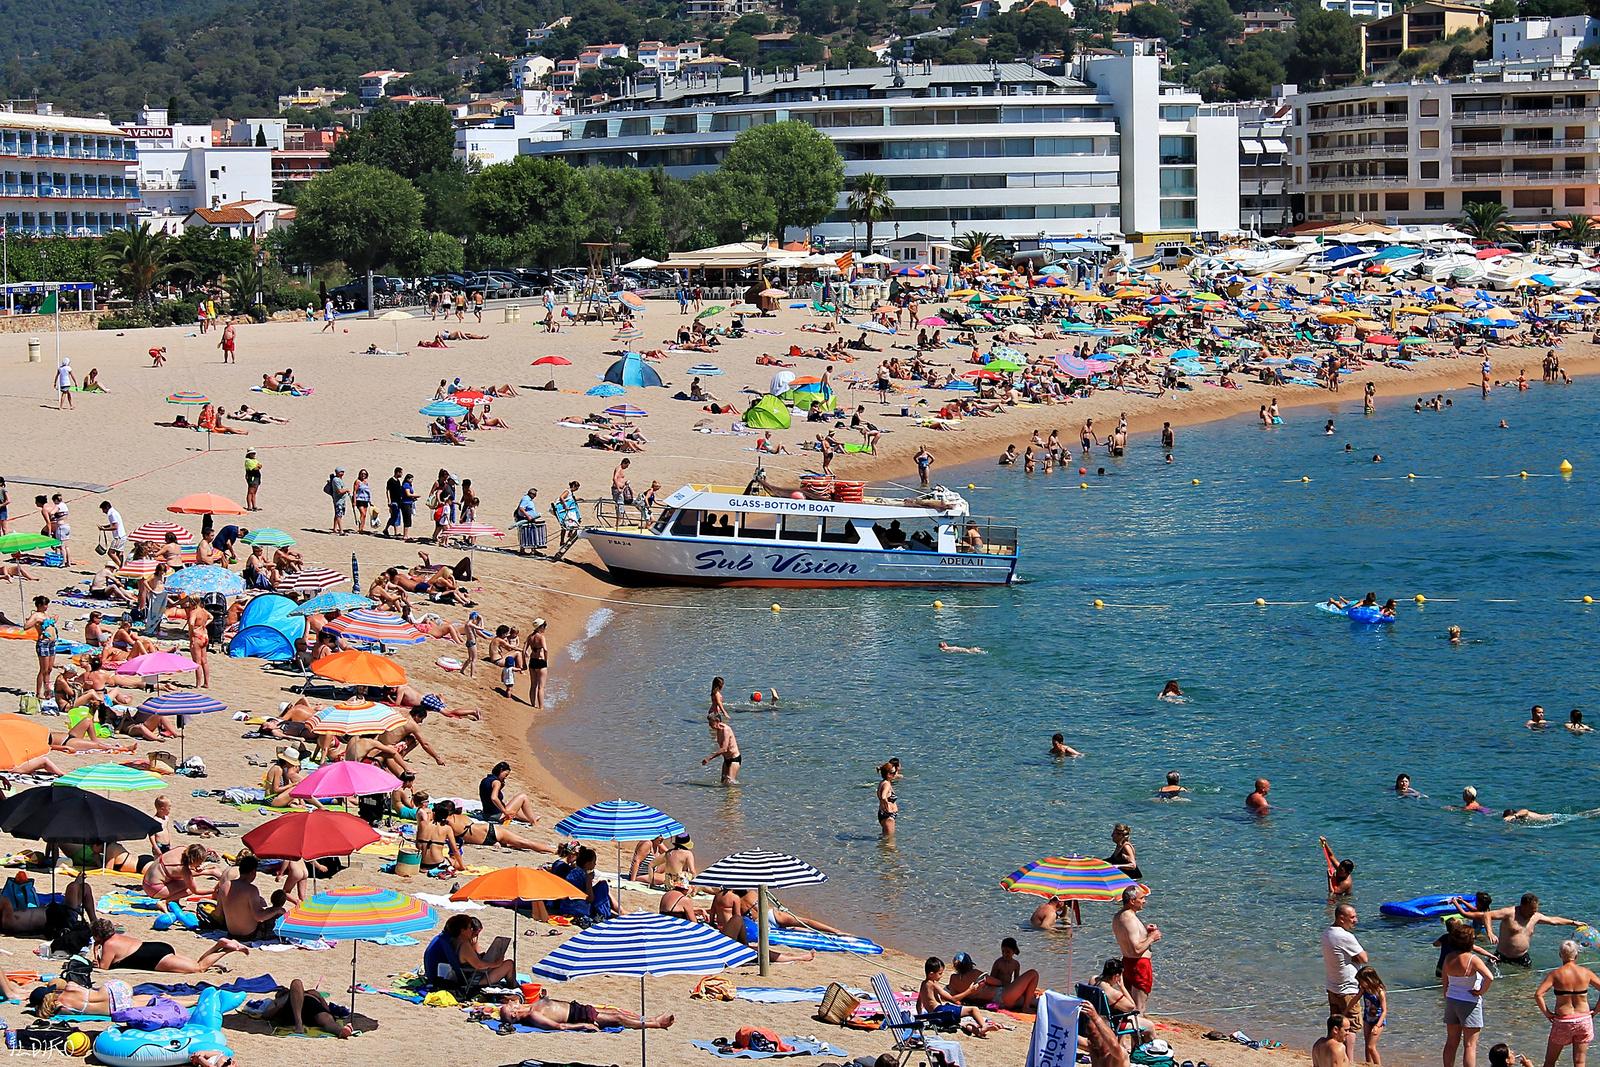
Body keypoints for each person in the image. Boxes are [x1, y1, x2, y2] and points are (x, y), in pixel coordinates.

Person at [1458, 893, 1581, 968]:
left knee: (1527, 981)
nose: (1533, 913)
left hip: (1522, 957)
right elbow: (1487, 915)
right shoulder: (1510, 913)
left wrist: (1574, 923)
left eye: (1535, 910)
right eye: (1530, 910)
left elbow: (1554, 921)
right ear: (1522, 906)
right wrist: (1490, 932)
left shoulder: (1535, 916)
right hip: (1502, 956)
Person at [90, 919, 246, 973]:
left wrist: (95, 950)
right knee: (194, 964)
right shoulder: (118, 937)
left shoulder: (109, 944)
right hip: (158, 947)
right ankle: (218, 945)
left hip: (154, 958)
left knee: (199, 968)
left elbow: (103, 968)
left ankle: (226, 949)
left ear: (98, 935)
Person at [1534, 940, 1600, 1067]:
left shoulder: (1555, 974)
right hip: (1584, 1019)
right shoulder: (1586, 972)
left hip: (1563, 1020)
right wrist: (1596, 1010)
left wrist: (1547, 1013)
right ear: (1576, 956)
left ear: (1560, 955)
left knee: (1550, 1062)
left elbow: (1538, 995)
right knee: (1580, 1062)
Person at [500, 988, 675, 1032]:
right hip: (579, 1016)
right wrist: (584, 1025)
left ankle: (651, 1019)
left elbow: (516, 998)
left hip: (577, 1008)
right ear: (514, 1014)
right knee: (619, 1018)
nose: (511, 1003)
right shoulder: (534, 1015)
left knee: (617, 1015)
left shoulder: (528, 1007)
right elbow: (559, 1026)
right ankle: (656, 1024)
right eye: (510, 1007)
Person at [1444, 924, 1496, 1067]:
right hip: (1469, 1002)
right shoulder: (1473, 959)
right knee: (1470, 1045)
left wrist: (1447, 997)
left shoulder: (1448, 957)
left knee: (1451, 1043)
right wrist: (1481, 992)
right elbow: (1489, 977)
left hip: (1451, 1001)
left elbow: (1445, 982)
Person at [1323, 903, 1368, 1059]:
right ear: (1342, 918)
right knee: (1351, 1027)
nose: (1356, 920)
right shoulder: (1345, 936)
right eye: (1352, 917)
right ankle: (1349, 1059)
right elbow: (1364, 958)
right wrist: (1354, 958)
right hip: (1347, 988)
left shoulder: (1327, 932)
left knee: (1336, 1026)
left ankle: (1333, 1054)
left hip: (1332, 986)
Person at [424, 913, 515, 989]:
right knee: (509, 964)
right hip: (474, 981)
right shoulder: (464, 946)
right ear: (463, 931)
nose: (472, 931)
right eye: (470, 928)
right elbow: (478, 965)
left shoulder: (454, 942)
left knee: (505, 964)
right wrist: (496, 963)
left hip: (468, 978)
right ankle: (514, 988)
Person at [918, 957, 1000, 1036]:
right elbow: (953, 999)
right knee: (973, 1010)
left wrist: (921, 1018)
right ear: (931, 974)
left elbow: (918, 1004)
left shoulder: (923, 985)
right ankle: (983, 1025)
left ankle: (978, 1032)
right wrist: (969, 990)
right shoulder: (933, 985)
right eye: (940, 974)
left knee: (966, 1023)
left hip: (933, 1015)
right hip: (940, 1012)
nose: (941, 976)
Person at [1113, 887, 1159, 1013]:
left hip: (1127, 962)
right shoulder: (1130, 918)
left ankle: (1129, 1030)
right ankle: (1138, 1031)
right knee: (1139, 1008)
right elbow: (1136, 950)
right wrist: (1151, 938)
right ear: (1132, 901)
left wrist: (1144, 931)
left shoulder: (1119, 916)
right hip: (1139, 965)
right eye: (1142, 898)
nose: (1144, 901)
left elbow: (1129, 936)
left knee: (1129, 1005)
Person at [219, 853, 285, 940]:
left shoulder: (225, 885)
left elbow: (219, 912)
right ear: (253, 872)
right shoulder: (251, 889)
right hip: (250, 935)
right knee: (280, 920)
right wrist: (277, 910)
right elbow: (259, 916)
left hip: (231, 933)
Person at [256, 979, 352, 1038]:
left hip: (311, 1006)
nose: (284, 989)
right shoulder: (278, 999)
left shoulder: (307, 994)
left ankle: (340, 1031)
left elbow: (327, 1011)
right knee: (296, 982)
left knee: (327, 1020)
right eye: (282, 990)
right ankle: (299, 1024)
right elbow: (266, 1015)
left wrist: (319, 997)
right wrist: (280, 1006)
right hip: (291, 1011)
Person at [142, 843, 216, 902]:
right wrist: (214, 891)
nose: (201, 864)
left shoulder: (181, 849)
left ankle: (174, 901)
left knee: (182, 881)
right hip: (153, 889)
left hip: (146, 882)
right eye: (200, 862)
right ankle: (165, 902)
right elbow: (196, 890)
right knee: (189, 889)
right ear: (194, 860)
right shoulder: (183, 869)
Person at [479, 761, 542, 825]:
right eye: (506, 775)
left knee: (509, 803)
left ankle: (530, 819)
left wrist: (500, 788)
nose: (505, 777)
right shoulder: (496, 782)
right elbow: (494, 798)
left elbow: (487, 794)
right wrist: (505, 811)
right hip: (497, 816)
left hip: (486, 814)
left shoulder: (485, 780)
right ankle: (534, 822)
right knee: (523, 796)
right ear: (501, 770)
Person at [25, 595, 56, 699]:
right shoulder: (35, 615)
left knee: (50, 669)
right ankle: (39, 692)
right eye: (45, 605)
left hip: (52, 642)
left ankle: (47, 690)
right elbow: (26, 626)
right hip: (43, 642)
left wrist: (54, 618)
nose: (47, 606)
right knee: (43, 669)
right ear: (39, 605)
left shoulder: (45, 614)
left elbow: (52, 620)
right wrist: (37, 621)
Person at [1358, 966, 1387, 1066]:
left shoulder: (1380, 992)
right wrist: (1345, 1012)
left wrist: (1377, 1025)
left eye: (1362, 982)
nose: (1361, 984)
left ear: (1369, 980)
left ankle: (1378, 1065)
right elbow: (1355, 1000)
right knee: (1367, 1045)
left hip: (1378, 1021)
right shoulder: (1364, 990)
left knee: (1371, 1046)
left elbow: (1384, 1011)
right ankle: (1368, 1064)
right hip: (1367, 1019)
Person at [703, 706, 741, 785]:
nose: (709, 725)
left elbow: (724, 749)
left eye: (711, 723)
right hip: (726, 759)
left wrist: (709, 758)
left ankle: (734, 796)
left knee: (729, 784)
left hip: (734, 759)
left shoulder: (725, 730)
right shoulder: (718, 730)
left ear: (717, 721)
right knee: (723, 782)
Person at [524, 618, 550, 708]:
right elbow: (545, 649)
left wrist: (524, 663)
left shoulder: (530, 636)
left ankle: (532, 704)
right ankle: (541, 707)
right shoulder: (541, 637)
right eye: (544, 626)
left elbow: (524, 650)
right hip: (540, 661)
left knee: (533, 685)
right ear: (540, 627)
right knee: (541, 687)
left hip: (532, 661)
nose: (545, 628)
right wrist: (546, 659)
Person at [877, 760, 898, 836]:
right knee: (890, 840)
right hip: (888, 815)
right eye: (893, 773)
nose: (895, 775)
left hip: (884, 814)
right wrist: (888, 807)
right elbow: (883, 797)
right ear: (888, 774)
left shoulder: (883, 782)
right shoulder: (886, 784)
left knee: (885, 838)